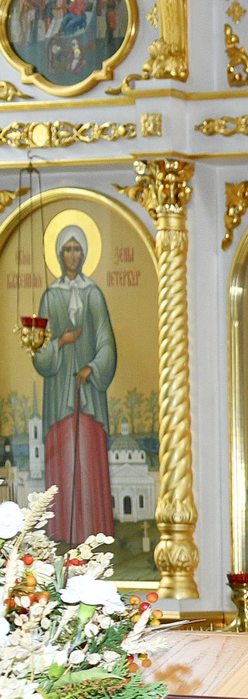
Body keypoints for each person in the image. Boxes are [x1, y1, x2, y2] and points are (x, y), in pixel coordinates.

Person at [29, 225, 115, 546]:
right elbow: (40, 351)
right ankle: (60, 532)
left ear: (86, 253)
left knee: (88, 456)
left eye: (78, 248)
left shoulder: (94, 294)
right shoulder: (50, 296)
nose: (73, 255)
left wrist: (92, 367)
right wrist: (61, 342)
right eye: (67, 249)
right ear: (58, 254)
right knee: (63, 456)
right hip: (59, 395)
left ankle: (94, 533)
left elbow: (106, 341)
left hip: (89, 392)